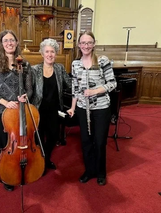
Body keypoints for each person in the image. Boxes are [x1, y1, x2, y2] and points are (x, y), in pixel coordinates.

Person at [67, 31, 117, 186]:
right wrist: (73, 107)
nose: (86, 46)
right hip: (82, 108)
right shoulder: (76, 64)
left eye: (89, 43)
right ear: (79, 45)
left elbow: (112, 83)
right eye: (83, 43)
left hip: (101, 108)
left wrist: (94, 91)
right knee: (86, 141)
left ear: (94, 44)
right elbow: (75, 88)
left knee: (100, 141)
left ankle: (101, 172)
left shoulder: (102, 61)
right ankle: (89, 170)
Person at [0, 30, 33, 191]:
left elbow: (29, 89)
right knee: (3, 147)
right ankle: (5, 175)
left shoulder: (25, 64)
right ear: (1, 44)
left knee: (19, 145)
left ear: (16, 42)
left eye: (12, 40)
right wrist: (6, 102)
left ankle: (20, 171)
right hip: (0, 112)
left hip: (19, 112)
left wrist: (25, 97)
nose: (9, 43)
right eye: (5, 40)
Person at [31, 38, 71, 171]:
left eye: (52, 51)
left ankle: (45, 158)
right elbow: (29, 90)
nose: (50, 54)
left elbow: (69, 84)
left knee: (53, 136)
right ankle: (42, 163)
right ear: (42, 54)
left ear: (56, 53)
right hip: (38, 110)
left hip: (55, 111)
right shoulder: (34, 70)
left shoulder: (59, 68)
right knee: (39, 139)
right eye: (47, 51)